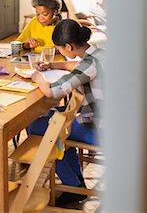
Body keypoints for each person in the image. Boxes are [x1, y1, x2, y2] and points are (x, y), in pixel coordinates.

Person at [30, 19, 104, 207]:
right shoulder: (99, 53)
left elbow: (51, 91)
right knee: (59, 121)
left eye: (59, 49)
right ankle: (75, 182)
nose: (60, 52)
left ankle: (73, 184)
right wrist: (53, 65)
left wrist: (38, 77)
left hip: (101, 129)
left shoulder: (88, 65)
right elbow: (79, 67)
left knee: (39, 128)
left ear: (68, 47)